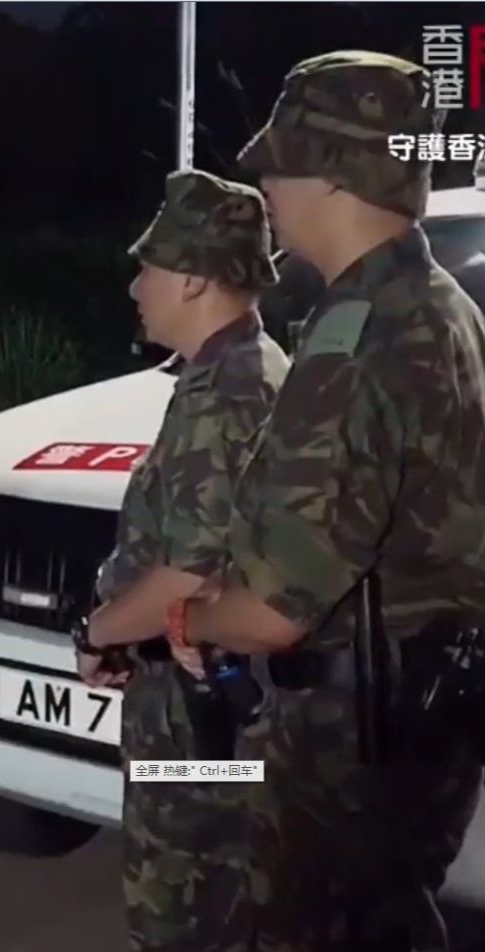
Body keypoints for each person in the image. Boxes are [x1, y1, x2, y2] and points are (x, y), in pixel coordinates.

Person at [168, 51, 485, 951]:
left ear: (331, 174)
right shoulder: (443, 307)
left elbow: (272, 613)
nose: (264, 183)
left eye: (278, 162)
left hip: (344, 745)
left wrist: (190, 622)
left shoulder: (358, 339)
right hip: (420, 727)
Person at [74, 169, 287, 952]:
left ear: (194, 276)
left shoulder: (227, 392)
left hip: (201, 723)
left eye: (149, 267)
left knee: (186, 905)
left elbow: (193, 567)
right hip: (204, 701)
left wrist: (97, 632)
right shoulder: (236, 373)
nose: (136, 285)